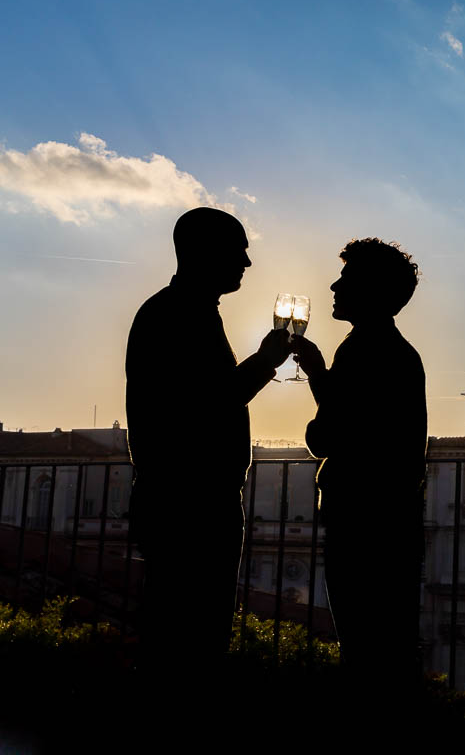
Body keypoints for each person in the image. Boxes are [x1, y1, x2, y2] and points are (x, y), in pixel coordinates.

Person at [126, 207, 290, 678]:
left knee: (180, 628)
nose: (247, 262)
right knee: (191, 634)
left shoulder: (180, 311)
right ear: (204, 253)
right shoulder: (179, 315)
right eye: (239, 250)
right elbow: (210, 403)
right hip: (189, 503)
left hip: (183, 498)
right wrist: (264, 362)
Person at [289, 238, 427, 688]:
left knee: (363, 649)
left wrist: (316, 377)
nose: (334, 285)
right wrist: (320, 376)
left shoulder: (361, 350)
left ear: (370, 290)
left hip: (361, 520)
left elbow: (326, 435)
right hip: (392, 519)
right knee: (388, 647)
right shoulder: (398, 352)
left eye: (346, 278)